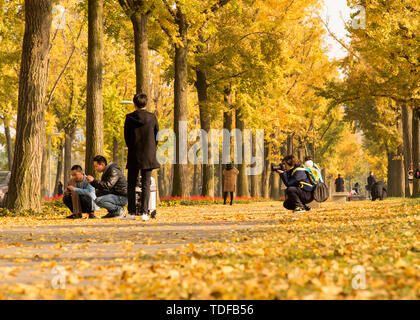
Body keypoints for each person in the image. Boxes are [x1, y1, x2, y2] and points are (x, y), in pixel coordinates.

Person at [122, 93, 160, 221]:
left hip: (134, 154)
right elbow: (157, 135)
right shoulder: (152, 117)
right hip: (148, 154)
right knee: (146, 184)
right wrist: (152, 147)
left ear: (134, 104)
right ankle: (144, 213)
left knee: (131, 184)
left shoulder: (129, 118)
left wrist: (132, 147)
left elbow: (126, 136)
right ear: (146, 104)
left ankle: (131, 212)